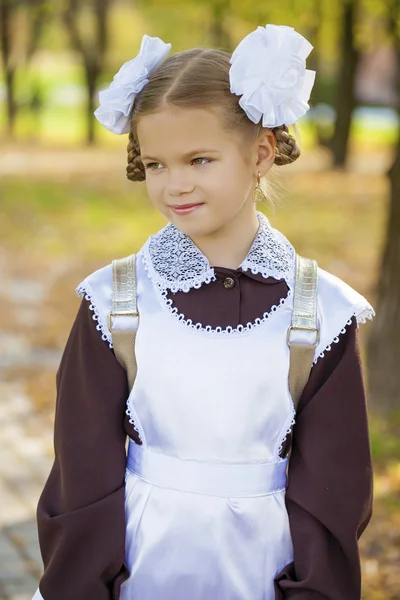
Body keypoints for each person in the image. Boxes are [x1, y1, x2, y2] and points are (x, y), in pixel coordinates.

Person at [31, 25, 375, 600]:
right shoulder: (115, 301)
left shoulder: (322, 310)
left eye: (199, 159)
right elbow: (80, 477)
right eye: (156, 164)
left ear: (260, 152)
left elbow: (334, 491)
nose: (174, 185)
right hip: (139, 570)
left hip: (264, 572)